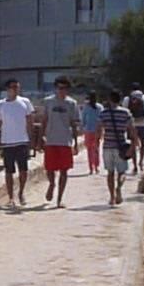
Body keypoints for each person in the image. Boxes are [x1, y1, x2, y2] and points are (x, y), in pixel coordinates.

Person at [0, 78, 35, 209]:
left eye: (17, 87)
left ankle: (21, 192)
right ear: (7, 89)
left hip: (22, 140)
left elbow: (30, 120)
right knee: (9, 171)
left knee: (23, 170)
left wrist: (31, 138)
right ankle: (10, 197)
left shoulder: (25, 102)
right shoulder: (1, 104)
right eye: (13, 87)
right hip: (7, 141)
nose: (16, 89)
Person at [39, 77, 81, 208]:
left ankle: (59, 199)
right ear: (56, 88)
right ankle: (52, 184)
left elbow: (74, 124)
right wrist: (41, 137)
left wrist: (75, 143)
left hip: (65, 140)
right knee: (49, 168)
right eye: (60, 88)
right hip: (51, 139)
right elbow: (44, 120)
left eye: (65, 88)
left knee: (64, 171)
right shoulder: (48, 101)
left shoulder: (72, 103)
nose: (62, 91)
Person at [98, 90, 140, 206]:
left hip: (107, 146)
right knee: (122, 172)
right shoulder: (125, 113)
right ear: (120, 100)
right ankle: (119, 188)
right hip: (121, 146)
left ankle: (112, 197)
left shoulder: (104, 113)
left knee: (110, 173)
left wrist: (98, 140)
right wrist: (134, 144)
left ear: (109, 99)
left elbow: (99, 128)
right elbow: (132, 130)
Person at [122, 83, 144, 175]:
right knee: (143, 144)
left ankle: (135, 165)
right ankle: (141, 161)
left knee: (133, 145)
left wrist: (125, 126)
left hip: (132, 125)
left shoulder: (127, 99)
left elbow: (124, 112)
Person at [80, 91, 103, 176]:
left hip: (89, 131)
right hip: (96, 130)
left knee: (89, 150)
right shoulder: (100, 107)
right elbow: (102, 119)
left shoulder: (86, 107)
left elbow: (83, 119)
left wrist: (82, 128)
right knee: (96, 149)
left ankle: (91, 167)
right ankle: (96, 166)